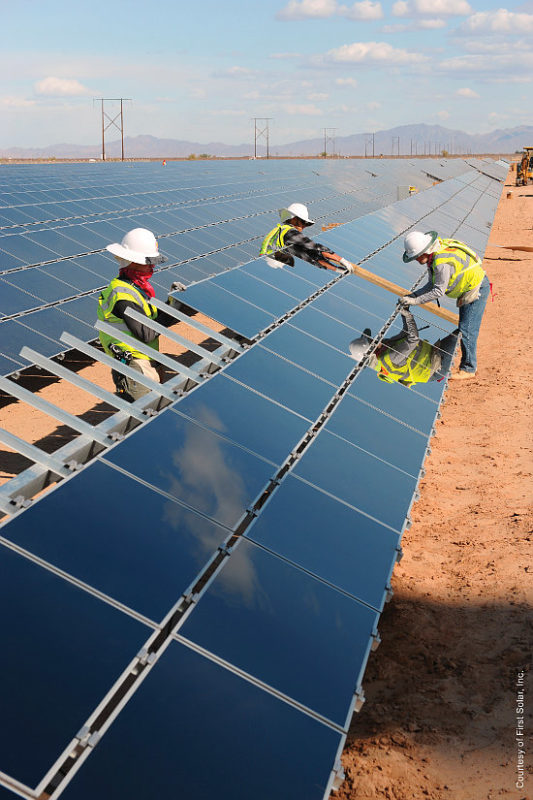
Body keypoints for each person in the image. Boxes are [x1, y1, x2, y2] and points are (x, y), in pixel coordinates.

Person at [399, 230, 489, 380]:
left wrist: (415, 301)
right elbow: (432, 284)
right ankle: (469, 365)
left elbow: (438, 290)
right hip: (471, 286)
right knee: (465, 327)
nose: (415, 260)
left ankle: (469, 369)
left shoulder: (440, 262)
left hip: (475, 288)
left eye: (416, 257)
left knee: (467, 329)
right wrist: (414, 295)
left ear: (424, 252)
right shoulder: (436, 253)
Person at [97, 227, 174, 402]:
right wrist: (173, 310)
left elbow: (152, 320)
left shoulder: (135, 290)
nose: (152, 266)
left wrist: (172, 304)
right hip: (134, 367)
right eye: (148, 261)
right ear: (133, 261)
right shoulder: (122, 295)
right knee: (142, 420)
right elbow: (146, 333)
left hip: (144, 362)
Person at [348, 306, 459, 387]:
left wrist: (404, 312)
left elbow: (406, 333)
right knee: (464, 333)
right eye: (371, 341)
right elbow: (413, 339)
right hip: (438, 366)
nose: (374, 339)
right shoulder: (389, 358)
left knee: (462, 332)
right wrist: (409, 317)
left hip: (435, 355)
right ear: (371, 352)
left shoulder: (385, 347)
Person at [259, 202, 355, 274]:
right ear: (294, 219)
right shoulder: (289, 233)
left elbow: (311, 257)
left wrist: (338, 270)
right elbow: (314, 247)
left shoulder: (285, 238)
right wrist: (341, 260)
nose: (305, 226)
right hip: (271, 264)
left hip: (268, 264)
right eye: (303, 222)